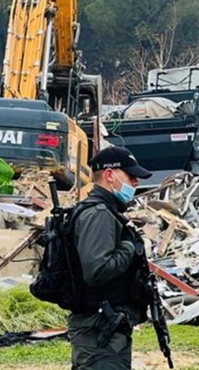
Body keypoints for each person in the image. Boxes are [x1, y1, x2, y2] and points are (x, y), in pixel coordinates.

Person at [68, 146, 153, 370]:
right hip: (98, 332)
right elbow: (97, 270)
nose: (136, 183)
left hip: (105, 330)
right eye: (131, 176)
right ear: (109, 175)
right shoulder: (99, 215)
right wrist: (129, 247)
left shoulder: (108, 212)